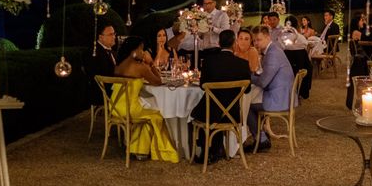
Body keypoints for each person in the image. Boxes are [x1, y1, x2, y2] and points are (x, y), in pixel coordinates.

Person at [111, 37, 179, 162]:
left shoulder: (119, 65)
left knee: (148, 111)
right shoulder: (139, 66)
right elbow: (158, 81)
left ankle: (139, 150)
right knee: (156, 115)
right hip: (130, 109)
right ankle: (161, 150)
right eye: (141, 50)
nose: (143, 53)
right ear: (134, 52)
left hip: (115, 107)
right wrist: (151, 64)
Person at [191, 30, 252, 164]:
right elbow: (247, 90)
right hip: (232, 113)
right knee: (214, 110)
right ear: (234, 44)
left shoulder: (209, 62)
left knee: (195, 114)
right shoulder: (242, 64)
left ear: (218, 43)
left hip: (210, 113)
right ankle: (216, 150)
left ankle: (205, 150)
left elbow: (203, 85)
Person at [247, 25, 295, 152]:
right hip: (283, 95)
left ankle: (261, 140)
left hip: (279, 99)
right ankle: (262, 134)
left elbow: (263, 82)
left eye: (259, 40)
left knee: (246, 106)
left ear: (268, 37)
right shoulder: (274, 49)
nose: (256, 43)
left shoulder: (272, 53)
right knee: (251, 101)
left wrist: (249, 77)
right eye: (254, 40)